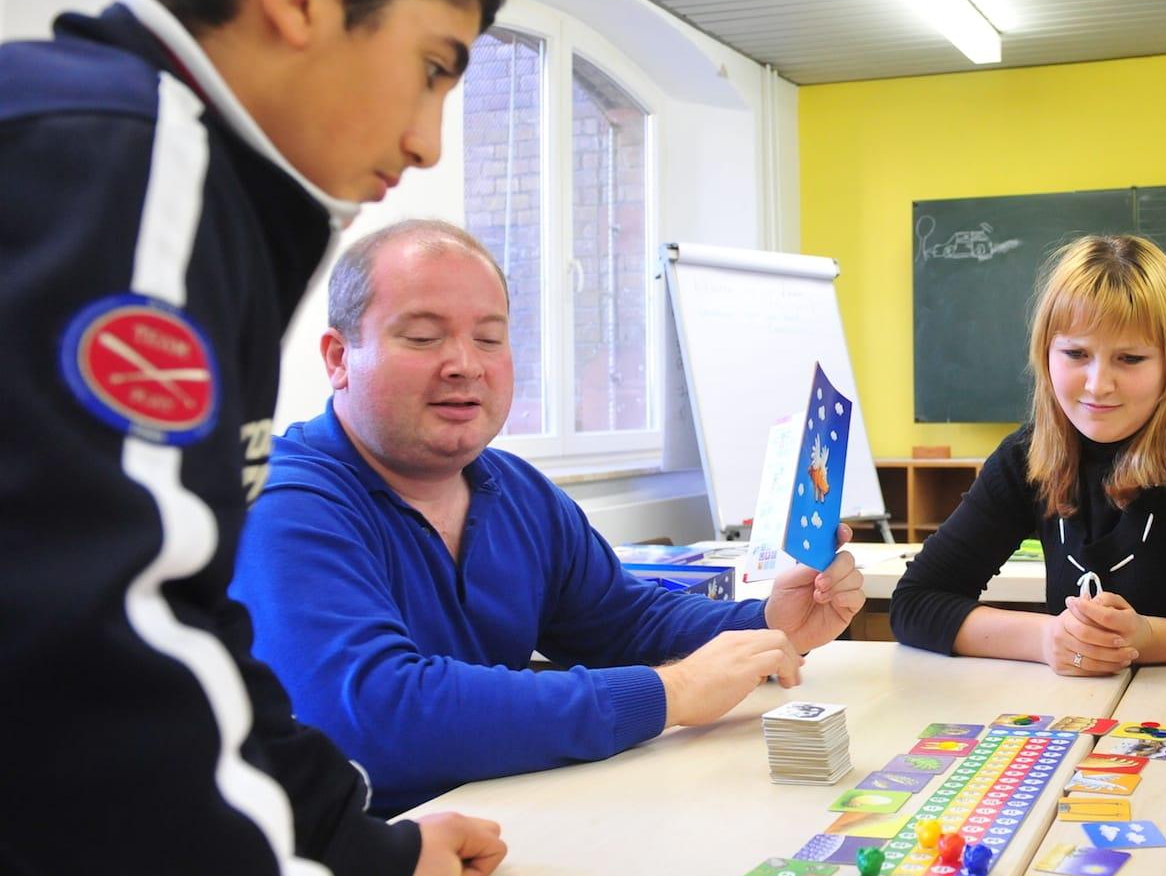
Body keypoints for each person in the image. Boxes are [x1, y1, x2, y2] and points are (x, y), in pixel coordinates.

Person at [0, 0, 525, 876]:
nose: (429, 141)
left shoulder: (161, 179)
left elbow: (182, 622)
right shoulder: (138, 166)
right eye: (433, 67)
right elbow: (88, 657)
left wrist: (364, 851)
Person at [230, 220, 867, 815]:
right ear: (339, 358)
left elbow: (623, 620)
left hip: (497, 823)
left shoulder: (515, 490)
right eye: (423, 337)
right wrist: (669, 693)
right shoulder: (284, 502)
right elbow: (378, 712)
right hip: (346, 870)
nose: (465, 364)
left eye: (489, 337)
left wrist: (765, 624)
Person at [891, 234, 1166, 673]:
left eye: (1130, 359)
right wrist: (1047, 640)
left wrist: (1149, 639)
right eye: (1076, 353)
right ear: (1045, 353)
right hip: (1086, 722)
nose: (1098, 384)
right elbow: (916, 601)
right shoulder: (1025, 458)